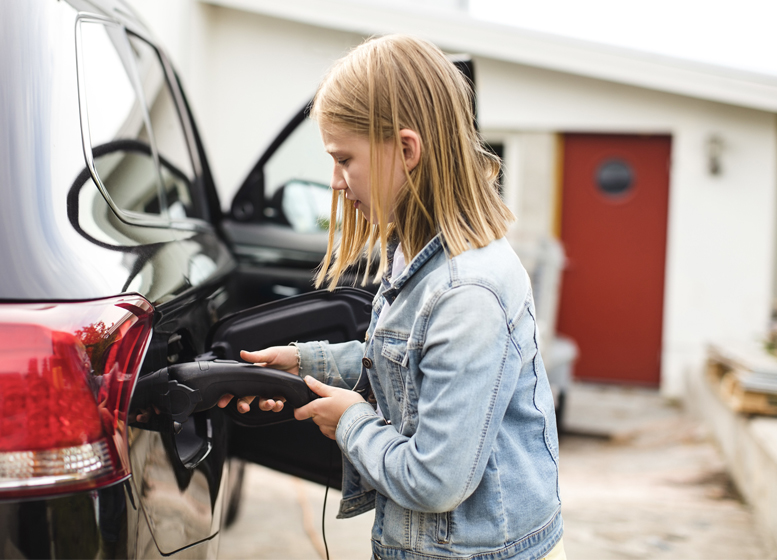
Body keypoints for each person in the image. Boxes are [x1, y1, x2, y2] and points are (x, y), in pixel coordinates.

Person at [218, 34, 565, 560]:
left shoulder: (468, 292)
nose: (335, 181)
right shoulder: (419, 255)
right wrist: (304, 364)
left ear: (406, 150)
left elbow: (435, 480)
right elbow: (409, 364)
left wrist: (351, 421)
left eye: (345, 159)